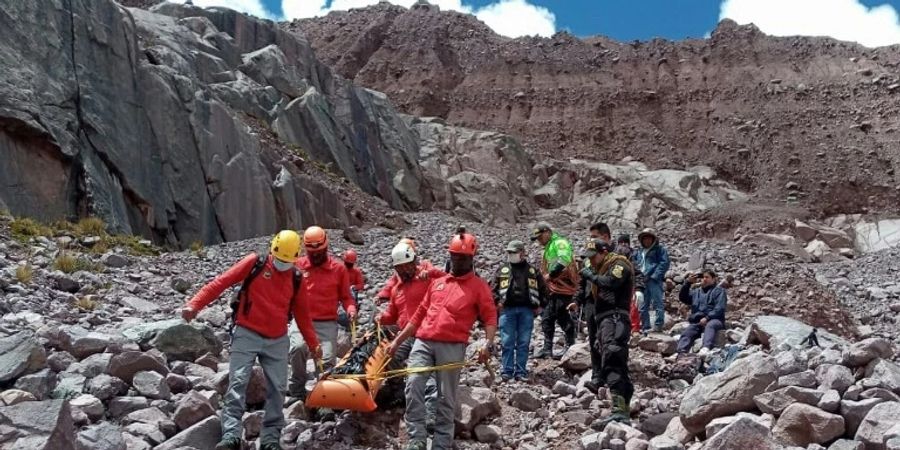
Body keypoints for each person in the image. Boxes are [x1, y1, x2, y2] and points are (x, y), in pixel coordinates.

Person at [181, 230, 322, 450]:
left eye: (288, 261)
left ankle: (269, 440)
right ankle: (231, 436)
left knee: (278, 389)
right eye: (280, 259)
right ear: (272, 250)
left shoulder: (296, 279)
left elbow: (303, 316)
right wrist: (195, 304)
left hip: (277, 339)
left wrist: (314, 345)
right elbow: (221, 282)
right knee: (238, 382)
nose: (283, 264)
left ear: (295, 258)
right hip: (247, 332)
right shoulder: (255, 263)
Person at [387, 230, 497, 450]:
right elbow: (418, 316)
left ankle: (441, 442)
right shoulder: (438, 283)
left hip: (453, 345)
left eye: (462, 258)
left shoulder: (479, 287)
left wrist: (487, 343)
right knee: (414, 384)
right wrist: (397, 342)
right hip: (423, 341)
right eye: (454, 256)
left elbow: (490, 317)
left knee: (446, 397)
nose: (458, 261)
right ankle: (416, 438)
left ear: (471, 259)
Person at [288, 226, 356, 401]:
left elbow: (346, 297)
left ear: (326, 247)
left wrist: (351, 310)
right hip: (302, 320)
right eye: (312, 253)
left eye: (319, 251)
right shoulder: (298, 266)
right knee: (297, 348)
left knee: (326, 362)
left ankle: (324, 398)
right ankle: (297, 390)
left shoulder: (339, 269)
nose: (316, 255)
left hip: (327, 323)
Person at [578, 239, 636, 427]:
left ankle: (619, 410)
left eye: (594, 257)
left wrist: (590, 276)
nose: (592, 261)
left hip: (615, 318)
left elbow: (611, 283)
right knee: (611, 359)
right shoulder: (602, 267)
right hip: (605, 320)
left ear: (603, 252)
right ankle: (623, 409)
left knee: (613, 359)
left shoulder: (619, 264)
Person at [491, 240, 546, 382]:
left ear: (522, 253)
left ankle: (520, 371)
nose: (510, 255)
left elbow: (543, 290)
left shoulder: (533, 271)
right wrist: (497, 302)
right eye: (509, 252)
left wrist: (541, 305)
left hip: (527, 310)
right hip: (507, 310)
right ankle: (507, 371)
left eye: (513, 252)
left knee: (523, 342)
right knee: (507, 341)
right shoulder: (502, 269)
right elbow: (492, 289)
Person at [532, 221, 579, 359]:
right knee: (547, 317)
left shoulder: (559, 243)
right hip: (552, 287)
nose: (539, 241)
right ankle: (547, 349)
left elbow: (564, 259)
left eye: (541, 237)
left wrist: (550, 275)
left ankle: (570, 347)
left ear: (548, 232)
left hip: (562, 286)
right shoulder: (548, 246)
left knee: (562, 315)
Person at [676, 270, 727, 354]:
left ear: (713, 279)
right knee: (689, 330)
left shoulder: (719, 291)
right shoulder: (696, 292)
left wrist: (707, 318)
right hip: (698, 321)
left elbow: (719, 308)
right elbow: (683, 298)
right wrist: (688, 283)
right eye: (702, 277)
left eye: (706, 277)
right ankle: (681, 352)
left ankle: (706, 348)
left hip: (714, 319)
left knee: (711, 325)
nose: (703, 279)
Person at [632, 228, 670, 333]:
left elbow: (664, 263)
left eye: (649, 238)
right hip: (642, 280)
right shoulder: (638, 252)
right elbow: (633, 263)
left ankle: (658, 325)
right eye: (645, 239)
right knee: (643, 304)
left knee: (658, 303)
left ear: (653, 239)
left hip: (654, 280)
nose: (647, 241)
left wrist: (655, 275)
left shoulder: (660, 250)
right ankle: (646, 326)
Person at [338, 249, 364, 329]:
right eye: (347, 263)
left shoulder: (356, 272)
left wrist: (353, 287)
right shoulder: (339, 269)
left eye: (350, 264)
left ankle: (351, 318)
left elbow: (361, 285)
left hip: (351, 295)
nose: (348, 265)